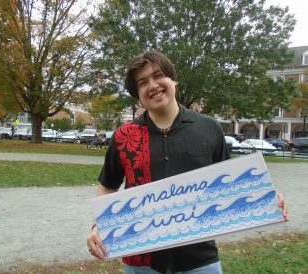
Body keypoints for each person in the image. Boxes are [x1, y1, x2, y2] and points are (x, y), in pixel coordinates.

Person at [86, 51, 288, 274]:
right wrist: (98, 226)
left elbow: (231, 186)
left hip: (200, 259)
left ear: (173, 80)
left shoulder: (209, 129)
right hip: (141, 261)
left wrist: (265, 197)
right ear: (137, 94)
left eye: (158, 76)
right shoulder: (123, 136)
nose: (152, 86)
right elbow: (108, 186)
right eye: (143, 83)